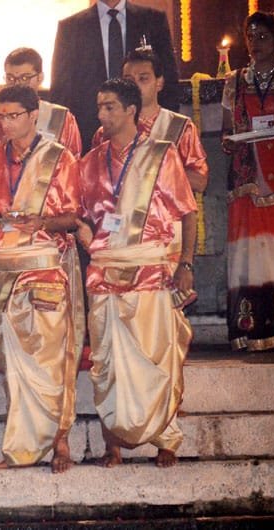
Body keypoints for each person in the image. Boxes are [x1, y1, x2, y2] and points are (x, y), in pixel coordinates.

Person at [77, 79, 197, 468]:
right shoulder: (89, 161)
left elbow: (187, 212)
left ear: (131, 110)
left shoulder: (161, 154)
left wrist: (186, 263)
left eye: (110, 107)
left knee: (155, 357)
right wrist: (83, 234)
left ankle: (166, 440)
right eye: (99, 107)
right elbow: (80, 215)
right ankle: (113, 443)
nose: (101, 114)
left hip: (149, 270)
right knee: (108, 360)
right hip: (105, 271)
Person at [0, 85, 84, 473]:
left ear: (34, 114)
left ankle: (60, 441)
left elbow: (73, 217)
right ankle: (21, 446)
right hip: (5, 268)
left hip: (45, 265)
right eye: (1, 116)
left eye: (14, 115)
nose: (6, 123)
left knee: (51, 357)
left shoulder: (59, 157)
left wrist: (42, 222)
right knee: (13, 362)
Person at [91, 49, 209, 263]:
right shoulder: (105, 132)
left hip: (164, 237)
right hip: (117, 235)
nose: (136, 85)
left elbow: (200, 181)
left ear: (159, 83)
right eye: (129, 80)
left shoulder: (178, 127)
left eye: (143, 78)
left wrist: (156, 171)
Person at [221, 11, 274, 352]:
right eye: (251, 37)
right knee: (250, 253)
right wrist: (228, 141)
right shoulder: (235, 81)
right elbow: (227, 130)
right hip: (247, 179)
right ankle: (253, 332)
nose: (255, 43)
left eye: (263, 36)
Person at [51, 0, 180, 153]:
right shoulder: (71, 27)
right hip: (89, 135)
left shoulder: (153, 20)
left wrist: (163, 127)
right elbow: (61, 90)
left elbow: (169, 80)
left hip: (149, 136)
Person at [0, 47, 82, 180]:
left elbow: (73, 169)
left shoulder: (61, 119)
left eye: (25, 78)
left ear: (40, 78)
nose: (17, 84)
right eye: (10, 78)